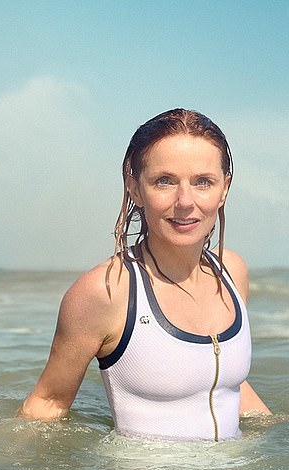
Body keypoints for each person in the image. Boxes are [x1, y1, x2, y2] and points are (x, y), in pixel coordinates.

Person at [17, 108, 271, 441]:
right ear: (135, 188)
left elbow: (222, 381)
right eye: (164, 181)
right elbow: (47, 405)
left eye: (203, 182)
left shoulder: (231, 272)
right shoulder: (106, 292)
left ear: (225, 188)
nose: (185, 202)